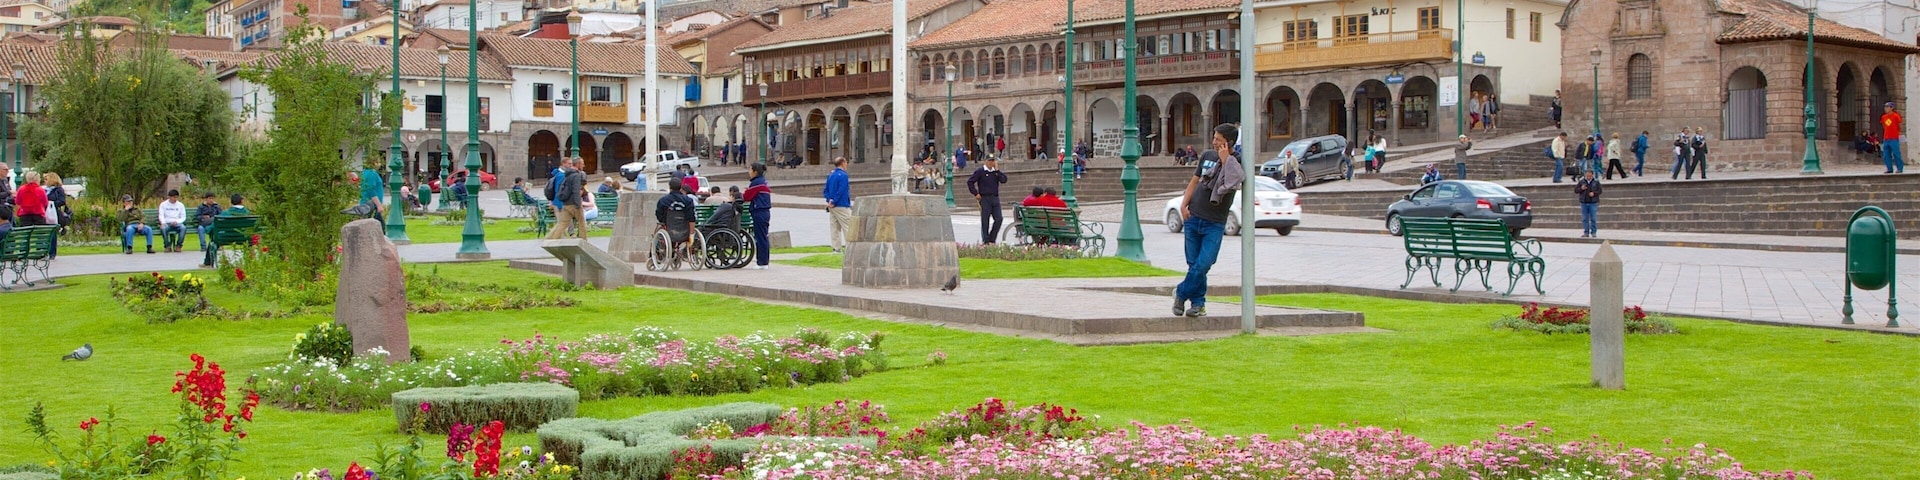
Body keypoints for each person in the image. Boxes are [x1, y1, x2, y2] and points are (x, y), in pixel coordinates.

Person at [1173, 124, 1243, 318]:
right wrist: (1183, 204)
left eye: (1218, 139)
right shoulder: (1206, 156)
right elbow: (1195, 181)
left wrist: (1225, 160)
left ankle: (1180, 293)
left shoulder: (1236, 161)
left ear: (1227, 142)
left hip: (1215, 222)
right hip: (1194, 217)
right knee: (1193, 264)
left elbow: (1233, 181)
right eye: (1214, 138)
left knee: (1203, 264)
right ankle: (1198, 304)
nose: (1214, 142)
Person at [966, 155, 1009, 244]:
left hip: (995, 197)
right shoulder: (980, 171)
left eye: (993, 161)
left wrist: (997, 170)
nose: (991, 163)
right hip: (984, 198)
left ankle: (992, 238)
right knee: (985, 220)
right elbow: (970, 182)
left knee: (999, 219)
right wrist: (975, 193)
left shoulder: (995, 172)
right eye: (989, 161)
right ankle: (986, 241)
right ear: (986, 161)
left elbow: (1004, 180)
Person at [742, 163, 773, 269]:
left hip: (759, 212)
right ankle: (763, 261)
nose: (749, 172)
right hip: (764, 212)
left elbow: (747, 197)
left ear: (755, 171)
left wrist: (745, 192)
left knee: (760, 237)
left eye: (750, 170)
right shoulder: (761, 182)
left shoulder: (756, 183)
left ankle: (762, 262)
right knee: (763, 236)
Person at [546, 158, 586, 239]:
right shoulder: (574, 176)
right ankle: (583, 240)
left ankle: (551, 240)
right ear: (577, 164)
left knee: (562, 223)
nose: (583, 166)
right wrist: (578, 204)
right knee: (582, 223)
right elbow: (575, 191)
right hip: (572, 203)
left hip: (565, 203)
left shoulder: (566, 175)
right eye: (582, 164)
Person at [654, 180, 699, 253]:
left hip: (669, 227)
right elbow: (691, 217)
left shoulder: (663, 200)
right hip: (685, 228)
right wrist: (691, 233)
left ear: (670, 187)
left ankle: (654, 254)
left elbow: (659, 214)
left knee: (657, 231)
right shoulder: (688, 200)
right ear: (680, 188)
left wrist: (662, 221)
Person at [821, 157, 854, 253]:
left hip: (832, 206)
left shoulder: (831, 175)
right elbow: (842, 190)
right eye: (846, 162)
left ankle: (836, 248)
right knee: (848, 225)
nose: (846, 164)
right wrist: (834, 201)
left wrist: (829, 201)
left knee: (834, 227)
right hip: (842, 204)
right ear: (843, 163)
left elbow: (825, 190)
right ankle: (850, 247)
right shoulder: (843, 175)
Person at [42, 172, 68, 259]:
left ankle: (52, 253)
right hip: (44, 212)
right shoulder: (45, 190)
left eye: (46, 179)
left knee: (52, 232)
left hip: (53, 213)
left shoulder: (58, 189)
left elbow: (62, 201)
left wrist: (51, 203)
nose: (44, 181)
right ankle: (44, 251)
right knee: (44, 232)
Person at [195, 192, 222, 262]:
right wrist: (203, 217)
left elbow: (220, 215)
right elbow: (197, 216)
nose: (211, 200)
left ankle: (217, 244)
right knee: (200, 229)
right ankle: (203, 246)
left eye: (212, 198)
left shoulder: (217, 206)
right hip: (204, 223)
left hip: (213, 223)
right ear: (206, 199)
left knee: (216, 229)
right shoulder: (201, 207)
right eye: (210, 198)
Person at [1575, 170, 1602, 237]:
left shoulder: (1596, 182)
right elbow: (1576, 190)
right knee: (1585, 218)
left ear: (1592, 175)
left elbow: (1600, 191)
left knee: (1593, 218)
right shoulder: (1581, 182)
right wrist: (1581, 188)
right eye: (1587, 176)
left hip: (1593, 202)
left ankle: (1593, 232)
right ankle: (1586, 232)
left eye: (1589, 176)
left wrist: (1594, 193)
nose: (1588, 177)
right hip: (1584, 202)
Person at [1882, 101, 1904, 174]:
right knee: (1886, 154)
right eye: (1885, 107)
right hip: (1886, 138)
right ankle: (1889, 168)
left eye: (1888, 107)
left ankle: (1900, 168)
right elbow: (1884, 126)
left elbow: (1900, 125)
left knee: (1896, 154)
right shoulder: (1883, 117)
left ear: (1892, 108)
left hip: (1894, 138)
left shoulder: (1895, 116)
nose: (1886, 108)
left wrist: (1898, 133)